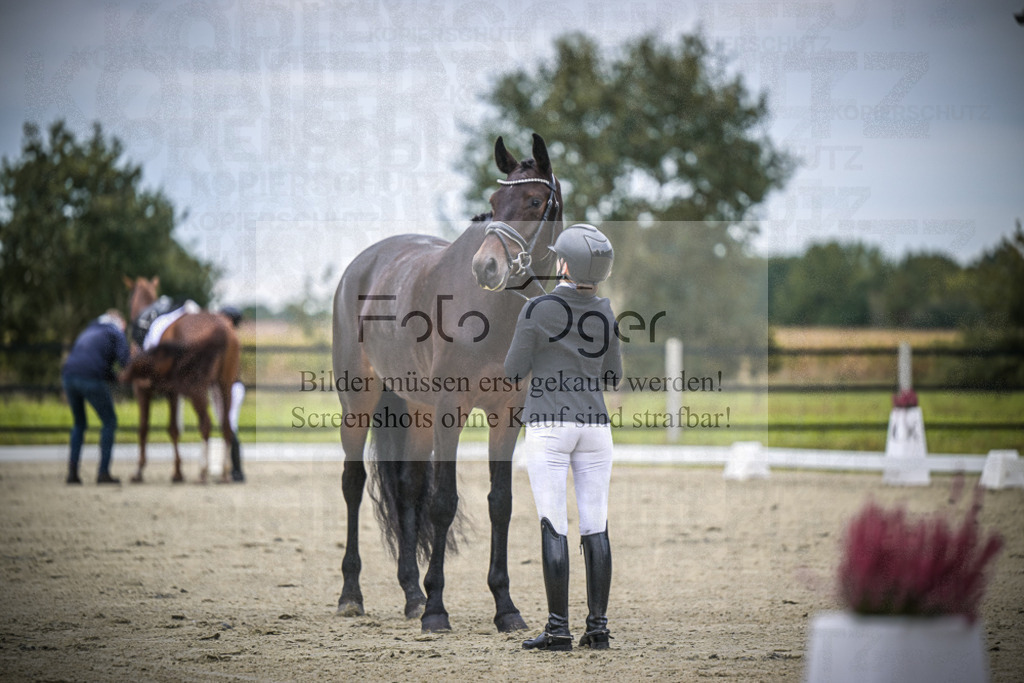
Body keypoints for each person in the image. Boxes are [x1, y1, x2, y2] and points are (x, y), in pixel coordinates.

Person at [504, 224, 622, 652]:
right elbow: (613, 376)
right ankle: (598, 628)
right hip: (595, 428)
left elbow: (512, 371)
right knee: (596, 523)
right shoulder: (606, 311)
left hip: (549, 427)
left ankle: (557, 630)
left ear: (565, 265)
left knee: (554, 522)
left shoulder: (536, 309)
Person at [61, 310, 131, 485]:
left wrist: (114, 377)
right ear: (120, 322)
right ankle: (103, 472)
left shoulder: (90, 329)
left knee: (79, 423)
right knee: (109, 421)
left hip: (69, 376)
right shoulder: (115, 331)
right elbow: (125, 361)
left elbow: (98, 361)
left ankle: (72, 473)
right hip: (90, 378)